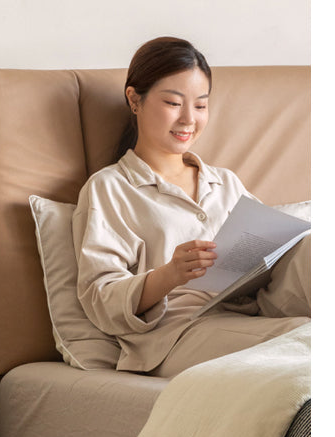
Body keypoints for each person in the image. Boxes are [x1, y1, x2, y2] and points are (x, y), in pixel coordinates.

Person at [73, 37, 310, 378]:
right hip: (177, 334)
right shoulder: (110, 188)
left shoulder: (224, 182)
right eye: (173, 102)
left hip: (250, 308)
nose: (188, 119)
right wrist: (169, 274)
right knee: (305, 340)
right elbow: (101, 297)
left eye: (200, 106)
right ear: (134, 99)